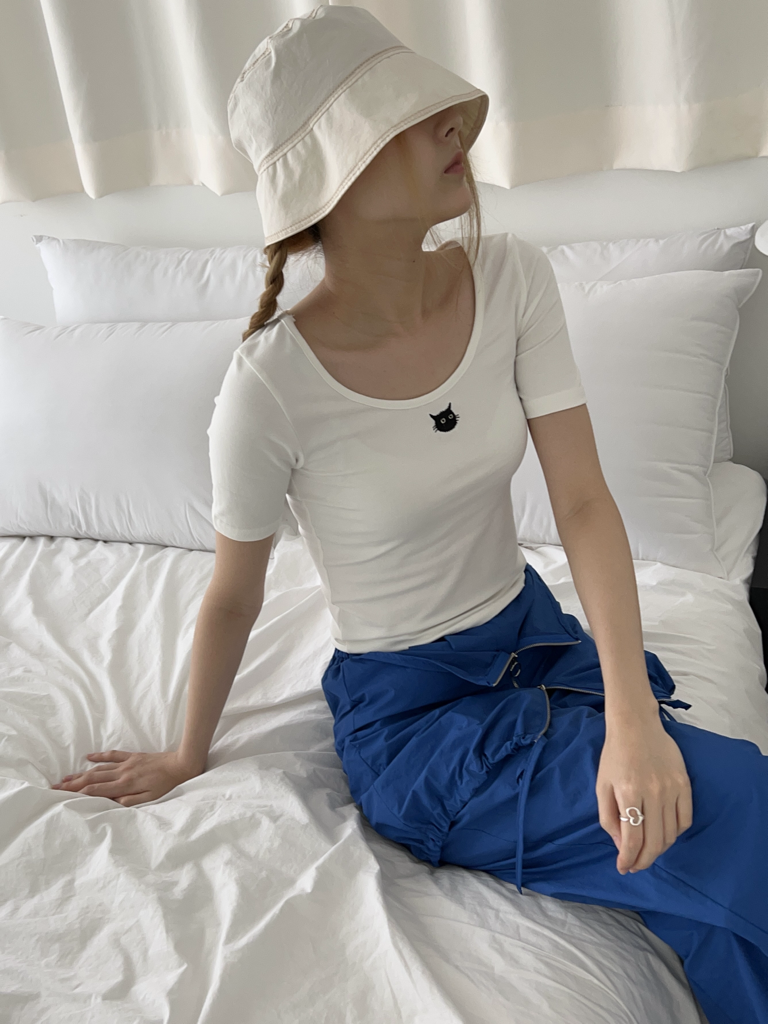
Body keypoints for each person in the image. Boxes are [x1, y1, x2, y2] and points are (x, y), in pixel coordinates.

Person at [50, 7, 768, 1022]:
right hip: (418, 726)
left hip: (533, 640)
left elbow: (582, 501)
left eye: (442, 108)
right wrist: (182, 752)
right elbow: (232, 597)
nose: (451, 127)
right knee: (734, 808)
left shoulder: (512, 277)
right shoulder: (268, 387)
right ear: (332, 178)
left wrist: (632, 718)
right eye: (407, 117)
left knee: (703, 851)